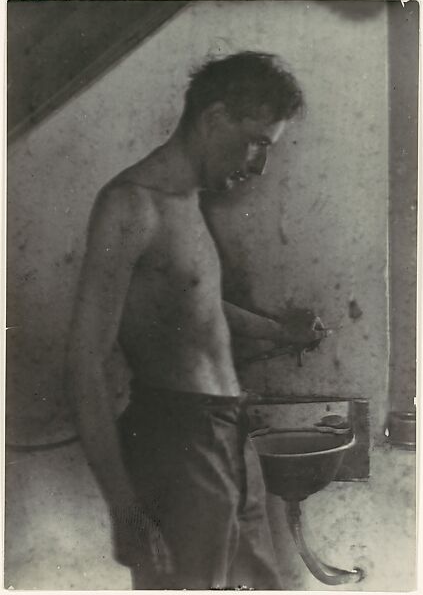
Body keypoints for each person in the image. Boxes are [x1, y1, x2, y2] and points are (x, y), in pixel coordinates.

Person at [66, 51, 325, 589]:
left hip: (229, 433)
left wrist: (280, 332)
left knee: (264, 583)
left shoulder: (187, 202)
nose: (260, 166)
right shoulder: (130, 205)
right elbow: (84, 364)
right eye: (258, 141)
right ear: (213, 119)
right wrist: (127, 511)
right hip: (176, 441)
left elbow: (196, 306)